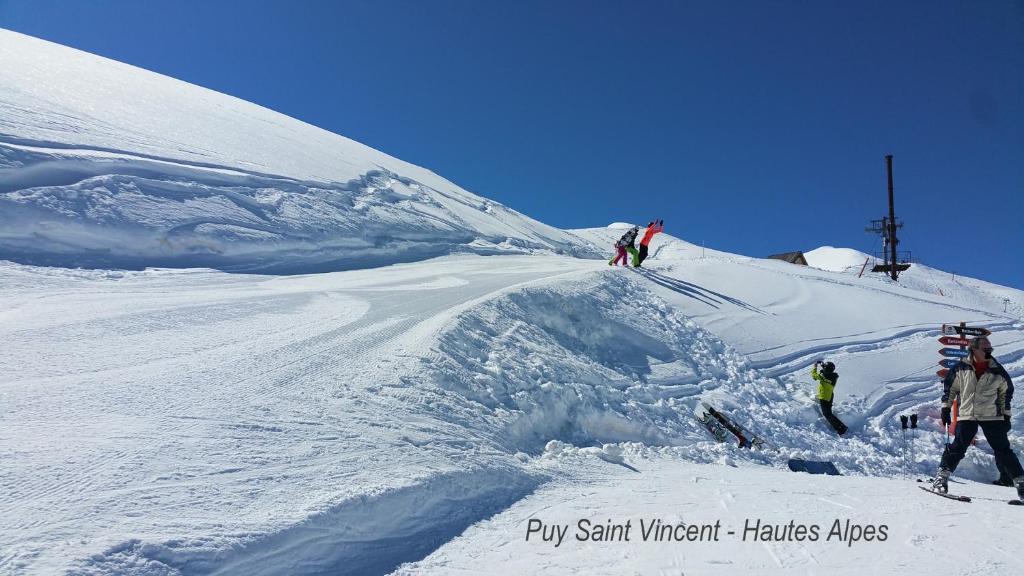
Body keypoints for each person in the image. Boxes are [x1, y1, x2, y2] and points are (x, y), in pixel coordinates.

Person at [930, 336, 1024, 499]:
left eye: (990, 349)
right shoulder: (961, 368)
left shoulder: (997, 370)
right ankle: (941, 479)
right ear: (974, 349)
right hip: (968, 414)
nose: (989, 351)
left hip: (992, 416)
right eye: (986, 349)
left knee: (1003, 450)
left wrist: (1006, 416)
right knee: (958, 447)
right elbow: (950, 389)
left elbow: (1006, 393)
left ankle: (1021, 483)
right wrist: (945, 408)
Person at [812, 360, 848, 435]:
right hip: (830, 395)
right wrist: (823, 365)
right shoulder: (833, 377)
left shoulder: (822, 377)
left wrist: (815, 367)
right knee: (829, 413)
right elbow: (826, 372)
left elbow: (814, 376)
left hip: (824, 397)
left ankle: (841, 428)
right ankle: (841, 426)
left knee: (827, 414)